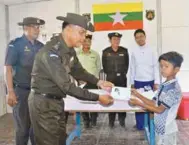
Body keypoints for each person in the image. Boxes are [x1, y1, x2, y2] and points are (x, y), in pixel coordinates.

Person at [28, 13, 114, 145]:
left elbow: (78, 71)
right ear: (68, 29)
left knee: (60, 139)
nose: (84, 38)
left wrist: (99, 82)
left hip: (56, 101)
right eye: (81, 33)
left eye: (84, 34)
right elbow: (67, 86)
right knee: (49, 142)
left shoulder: (69, 50)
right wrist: (98, 98)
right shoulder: (51, 52)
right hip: (43, 104)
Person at [4, 17, 45, 145]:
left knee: (36, 128)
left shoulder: (41, 46)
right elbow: (8, 69)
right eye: (34, 27)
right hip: (21, 92)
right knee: (22, 129)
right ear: (25, 28)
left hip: (37, 93)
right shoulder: (15, 45)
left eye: (38, 27)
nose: (37, 30)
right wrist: (10, 91)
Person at [129, 51, 183, 145]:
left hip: (167, 131)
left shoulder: (173, 89)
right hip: (159, 128)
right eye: (161, 66)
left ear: (176, 69)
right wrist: (137, 95)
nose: (162, 69)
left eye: (166, 66)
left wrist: (139, 103)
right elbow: (154, 102)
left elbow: (159, 110)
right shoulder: (164, 85)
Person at [130, 29, 160, 130]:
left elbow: (156, 66)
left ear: (145, 37)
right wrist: (131, 82)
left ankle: (150, 124)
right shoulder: (133, 50)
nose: (139, 39)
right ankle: (140, 125)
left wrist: (156, 82)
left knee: (149, 102)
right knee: (137, 102)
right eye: (137, 37)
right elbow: (132, 67)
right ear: (135, 39)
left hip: (150, 80)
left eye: (141, 36)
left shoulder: (152, 49)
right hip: (138, 81)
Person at [102, 32, 129, 128]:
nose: (116, 41)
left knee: (122, 100)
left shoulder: (124, 51)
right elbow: (104, 67)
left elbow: (127, 66)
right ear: (110, 40)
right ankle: (111, 121)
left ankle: (122, 120)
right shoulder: (105, 52)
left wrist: (121, 74)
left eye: (118, 39)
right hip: (110, 80)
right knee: (110, 99)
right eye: (114, 39)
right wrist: (112, 75)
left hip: (122, 79)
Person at [77, 34, 101, 128]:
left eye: (89, 41)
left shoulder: (95, 54)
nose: (87, 43)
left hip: (93, 82)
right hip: (82, 82)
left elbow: (98, 68)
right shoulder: (77, 54)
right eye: (85, 41)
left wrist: (95, 79)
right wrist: (79, 79)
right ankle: (86, 121)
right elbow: (74, 68)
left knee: (94, 100)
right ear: (82, 42)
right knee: (83, 101)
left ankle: (94, 120)